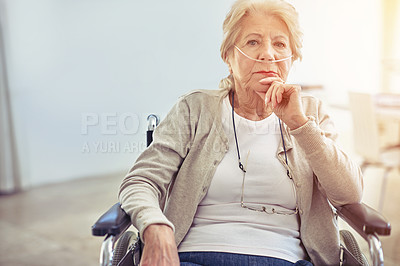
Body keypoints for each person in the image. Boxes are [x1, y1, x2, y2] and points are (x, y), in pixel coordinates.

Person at [119, 0, 363, 265]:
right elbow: (140, 181)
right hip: (194, 255)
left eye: (280, 44)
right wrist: (155, 225)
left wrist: (300, 126)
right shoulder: (194, 109)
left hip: (283, 258)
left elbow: (349, 194)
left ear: (292, 57)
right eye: (253, 42)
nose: (268, 54)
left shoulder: (311, 113)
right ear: (228, 56)